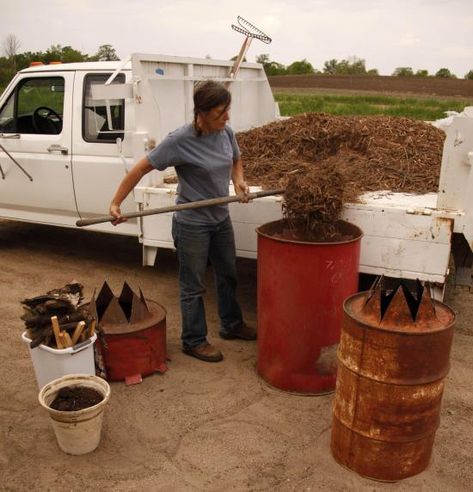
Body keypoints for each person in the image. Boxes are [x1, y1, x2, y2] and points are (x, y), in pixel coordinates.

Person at [109, 80, 256, 363]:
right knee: (193, 285)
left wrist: (239, 182)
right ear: (200, 114)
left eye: (228, 111)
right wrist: (116, 202)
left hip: (220, 217)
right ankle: (194, 340)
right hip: (193, 224)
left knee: (228, 274)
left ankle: (231, 324)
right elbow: (141, 168)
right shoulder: (179, 140)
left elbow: (236, 159)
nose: (226, 117)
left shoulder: (226, 132)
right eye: (219, 113)